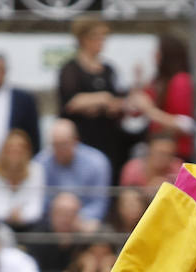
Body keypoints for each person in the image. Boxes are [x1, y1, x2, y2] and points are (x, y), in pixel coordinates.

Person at [58, 17, 140, 179]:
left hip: (108, 135)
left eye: (103, 37)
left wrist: (108, 104)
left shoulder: (109, 69)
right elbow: (71, 102)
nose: (101, 41)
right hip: (82, 137)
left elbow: (118, 99)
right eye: (97, 37)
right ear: (83, 39)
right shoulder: (70, 69)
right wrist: (102, 98)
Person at [35, 118, 112, 230]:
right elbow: (40, 201)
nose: (59, 149)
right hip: (51, 223)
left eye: (64, 144)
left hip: (86, 221)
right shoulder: (41, 163)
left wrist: (76, 218)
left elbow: (99, 203)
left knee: (96, 231)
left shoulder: (97, 162)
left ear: (75, 141)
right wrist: (59, 217)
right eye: (55, 145)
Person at [125, 36, 194, 159]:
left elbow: (184, 124)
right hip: (155, 147)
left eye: (158, 52)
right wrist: (137, 82)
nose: (154, 55)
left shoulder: (181, 81)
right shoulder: (158, 81)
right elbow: (135, 111)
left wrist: (149, 110)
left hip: (175, 151)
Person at [0, 130, 45, 231]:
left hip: (29, 226)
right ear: (3, 151)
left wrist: (22, 216)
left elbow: (36, 207)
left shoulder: (36, 170)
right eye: (11, 150)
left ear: (27, 152)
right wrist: (9, 214)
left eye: (19, 151)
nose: (15, 155)